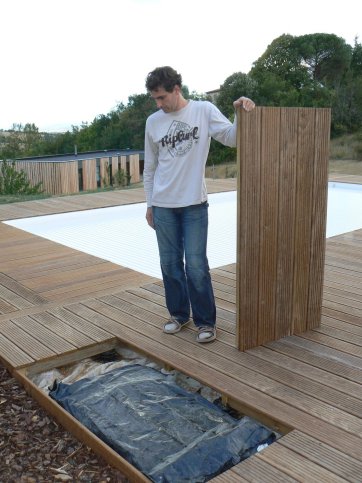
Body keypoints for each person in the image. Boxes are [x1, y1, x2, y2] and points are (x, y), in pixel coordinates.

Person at [143, 66, 255, 343]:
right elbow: (150, 168)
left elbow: (232, 138)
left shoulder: (203, 110)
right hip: (163, 205)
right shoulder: (153, 122)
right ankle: (179, 315)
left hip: (194, 204)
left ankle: (206, 322)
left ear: (176, 90)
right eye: (155, 99)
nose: (159, 104)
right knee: (169, 264)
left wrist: (241, 112)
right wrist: (149, 204)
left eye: (161, 97)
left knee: (196, 265)